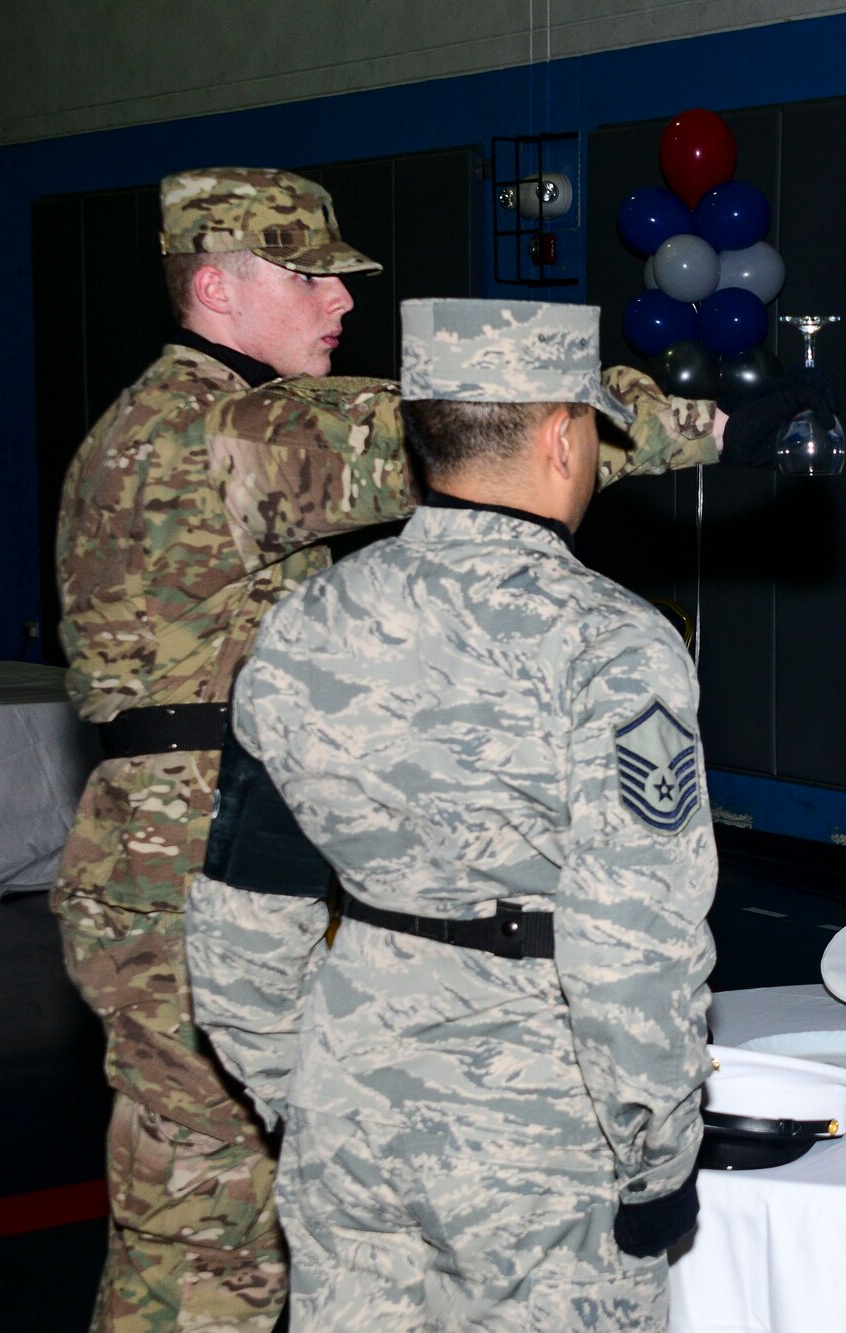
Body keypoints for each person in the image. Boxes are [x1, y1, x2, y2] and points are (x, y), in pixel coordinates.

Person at [53, 166, 730, 1332]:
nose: (341, 301)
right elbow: (458, 436)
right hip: (189, 868)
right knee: (206, 1255)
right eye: (307, 275)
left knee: (201, 1223)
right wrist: (676, 420)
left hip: (155, 854)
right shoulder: (232, 431)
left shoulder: (129, 424)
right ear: (213, 285)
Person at [187, 298, 715, 1330]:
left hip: (350, 1097)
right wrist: (655, 1155)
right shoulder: (616, 643)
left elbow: (246, 902)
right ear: (564, 436)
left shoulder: (305, 622)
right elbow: (632, 941)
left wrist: (302, 1092)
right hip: (541, 1131)